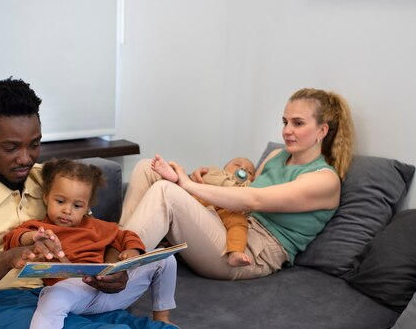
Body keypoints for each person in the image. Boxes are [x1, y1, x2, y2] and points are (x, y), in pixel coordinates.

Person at [0, 77, 368, 329]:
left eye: (34, 144)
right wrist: (12, 256)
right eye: (11, 147)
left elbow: (94, 233)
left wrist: (115, 265)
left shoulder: (45, 181)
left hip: (59, 296)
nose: (25, 158)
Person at [120, 87, 355, 281]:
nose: (287, 131)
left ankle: (114, 271)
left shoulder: (325, 180)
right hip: (232, 221)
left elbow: (255, 199)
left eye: (297, 123)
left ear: (322, 130)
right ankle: (115, 248)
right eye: (285, 122)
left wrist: (187, 186)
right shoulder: (278, 156)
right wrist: (204, 176)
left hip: (250, 250)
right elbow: (244, 189)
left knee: (166, 192)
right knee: (146, 167)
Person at [3, 158, 180, 329]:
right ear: (45, 197)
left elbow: (125, 235)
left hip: (109, 290)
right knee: (52, 296)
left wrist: (133, 251)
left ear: (87, 207)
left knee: (166, 260)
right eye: (60, 201)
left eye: (77, 205)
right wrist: (34, 237)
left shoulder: (97, 227)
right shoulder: (40, 227)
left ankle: (162, 319)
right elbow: (12, 238)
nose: (67, 211)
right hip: (73, 294)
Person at [152, 154, 256, 266]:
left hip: (228, 211)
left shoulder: (250, 186)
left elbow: (249, 199)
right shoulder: (216, 172)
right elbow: (206, 179)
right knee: (178, 202)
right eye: (237, 164)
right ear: (224, 167)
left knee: (239, 223)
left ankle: (235, 252)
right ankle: (172, 178)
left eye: (249, 171)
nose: (243, 169)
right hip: (203, 201)